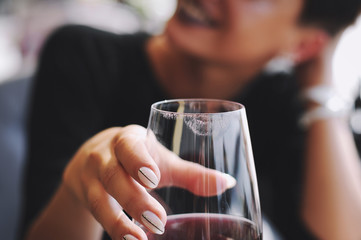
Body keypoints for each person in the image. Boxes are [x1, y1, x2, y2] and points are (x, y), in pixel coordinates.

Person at [20, 0, 361, 239]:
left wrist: (320, 82)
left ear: (305, 44)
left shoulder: (284, 105)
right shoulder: (84, 55)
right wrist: (78, 189)